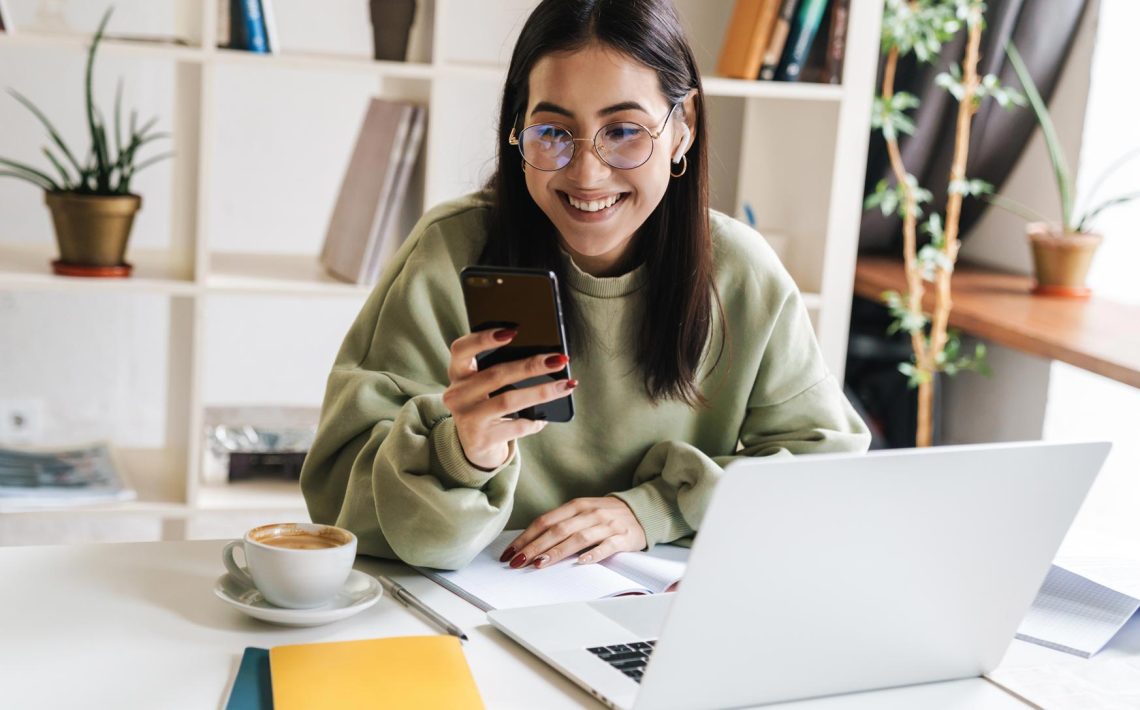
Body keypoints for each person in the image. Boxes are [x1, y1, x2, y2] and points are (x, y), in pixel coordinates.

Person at [300, 0, 870, 571]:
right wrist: (463, 453)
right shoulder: (447, 253)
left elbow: (823, 474)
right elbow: (341, 508)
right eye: (553, 131)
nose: (586, 173)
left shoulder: (741, 273)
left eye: (623, 130)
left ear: (683, 128)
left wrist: (656, 510)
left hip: (658, 610)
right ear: (517, 129)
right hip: (479, 600)